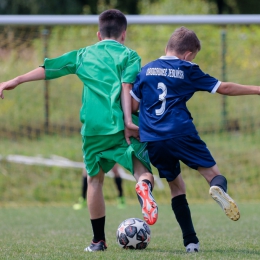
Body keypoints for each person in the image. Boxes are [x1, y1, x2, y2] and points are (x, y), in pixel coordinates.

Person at [0, 9, 158, 252]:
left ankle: (98, 242)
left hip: (93, 129)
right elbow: (128, 87)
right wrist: (129, 121)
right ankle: (144, 188)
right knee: (141, 169)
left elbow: (50, 69)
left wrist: (16, 80)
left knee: (94, 181)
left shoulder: (84, 54)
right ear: (123, 35)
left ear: (98, 34)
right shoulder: (130, 56)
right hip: (120, 126)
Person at [128, 26, 260, 253]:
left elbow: (132, 107)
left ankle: (191, 242)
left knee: (177, 188)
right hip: (181, 132)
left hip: (154, 138)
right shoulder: (187, 68)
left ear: (166, 48)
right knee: (214, 175)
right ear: (188, 55)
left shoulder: (145, 71)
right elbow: (224, 88)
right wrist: (256, 89)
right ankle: (216, 190)